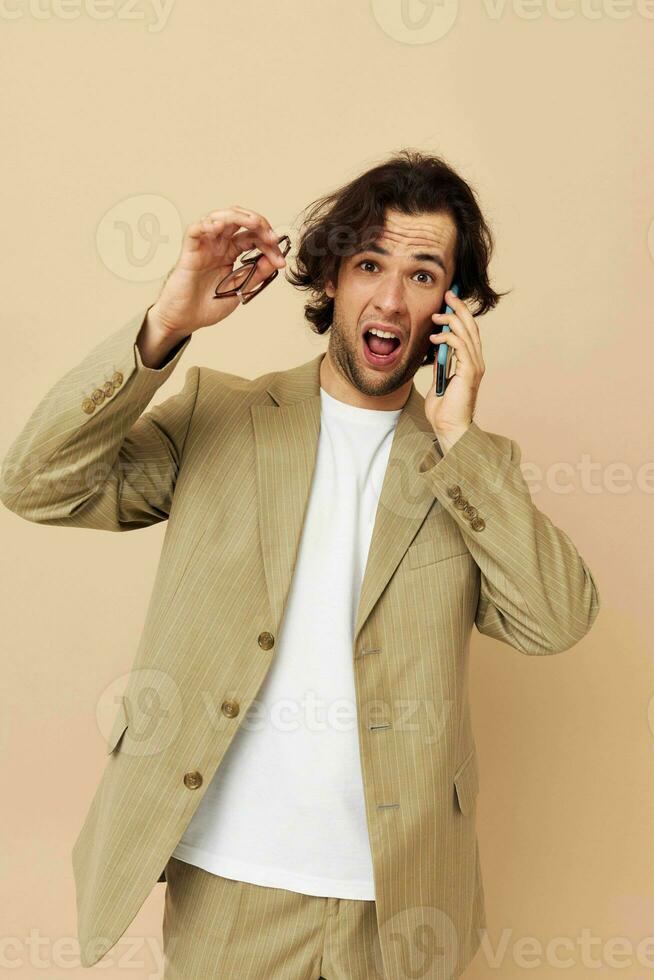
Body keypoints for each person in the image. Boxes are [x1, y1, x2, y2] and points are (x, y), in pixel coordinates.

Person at [0, 150, 600, 979]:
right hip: (230, 889)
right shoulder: (222, 416)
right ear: (328, 282)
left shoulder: (471, 470)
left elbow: (556, 619)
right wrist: (163, 327)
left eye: (423, 275)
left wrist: (460, 437)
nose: (391, 297)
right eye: (368, 264)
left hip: (399, 904)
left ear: (454, 310)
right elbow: (37, 484)